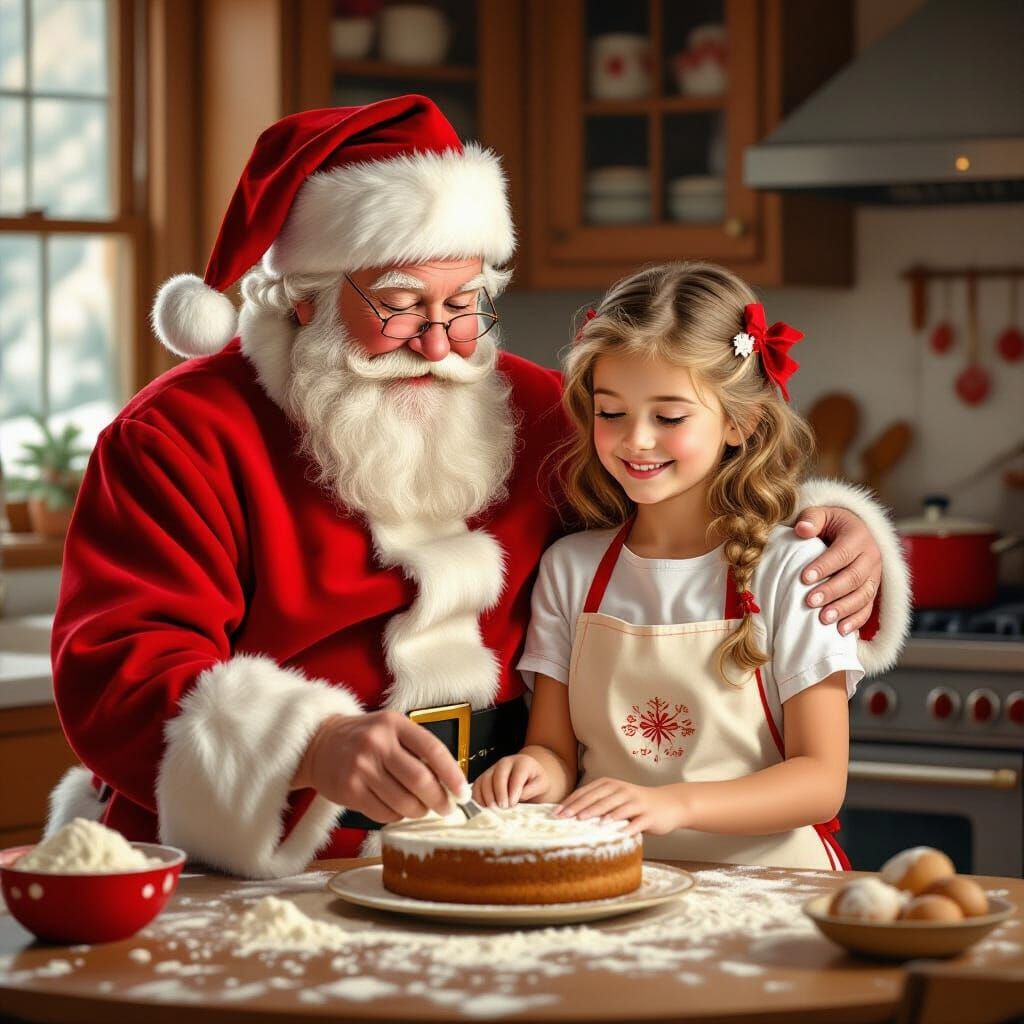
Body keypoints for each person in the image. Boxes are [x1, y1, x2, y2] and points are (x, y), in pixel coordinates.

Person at [46, 97, 909, 878]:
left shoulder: (540, 411)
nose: (440, 344)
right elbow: (116, 673)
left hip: (496, 838)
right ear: (303, 296)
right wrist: (310, 744)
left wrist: (834, 530)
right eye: (399, 305)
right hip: (268, 854)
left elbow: (683, 513)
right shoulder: (179, 437)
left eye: (467, 304)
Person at [473, 261, 876, 869]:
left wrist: (674, 805)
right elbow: (555, 752)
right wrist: (531, 774)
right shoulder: (570, 570)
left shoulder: (792, 571)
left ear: (741, 422)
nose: (636, 440)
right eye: (611, 412)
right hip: (617, 882)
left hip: (772, 886)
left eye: (669, 416)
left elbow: (821, 782)